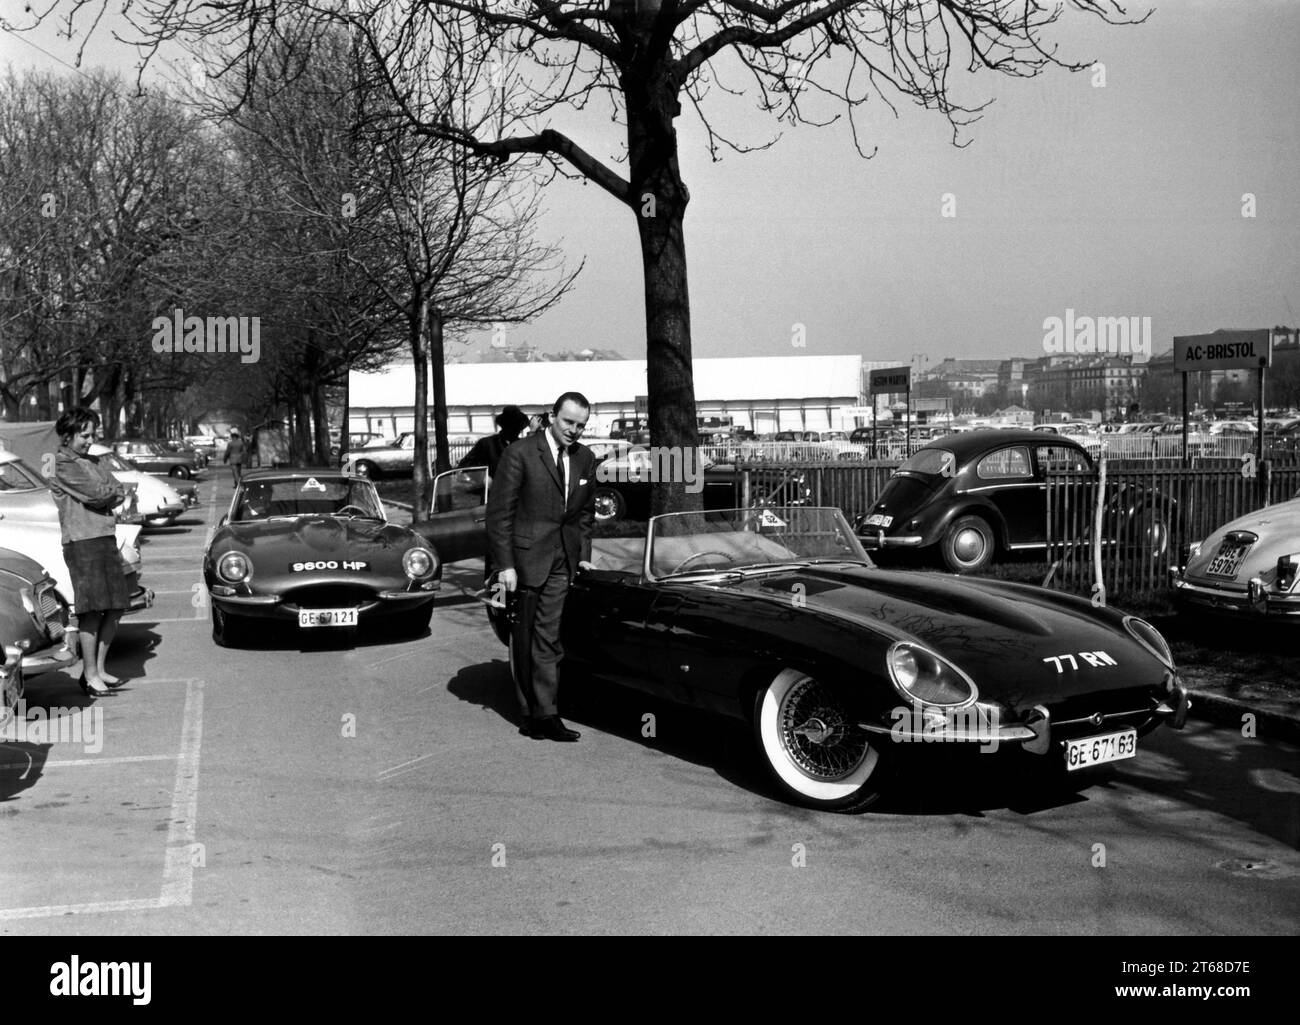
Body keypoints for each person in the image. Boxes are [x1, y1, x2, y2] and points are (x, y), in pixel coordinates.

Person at [486, 392, 596, 742]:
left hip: (563, 561)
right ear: (552, 417)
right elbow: (499, 514)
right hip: (523, 562)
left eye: (580, 425)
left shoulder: (585, 458)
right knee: (524, 637)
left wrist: (583, 554)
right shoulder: (520, 453)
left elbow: (585, 514)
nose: (574, 431)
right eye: (568, 422)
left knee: (548, 639)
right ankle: (528, 713)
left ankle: (547, 714)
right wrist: (505, 565)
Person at [49, 408, 129, 696]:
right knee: (92, 611)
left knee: (116, 606)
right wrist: (107, 492)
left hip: (105, 537)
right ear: (68, 435)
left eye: (93, 434)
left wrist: (107, 492)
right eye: (85, 435)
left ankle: (99, 670)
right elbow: (98, 495)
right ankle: (90, 674)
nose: (90, 440)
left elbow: (119, 491)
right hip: (82, 542)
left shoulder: (93, 462)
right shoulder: (62, 464)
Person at [457, 405, 530, 480]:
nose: (517, 431)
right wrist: (483, 477)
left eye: (518, 427)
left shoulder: (523, 446)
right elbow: (464, 466)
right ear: (504, 426)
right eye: (512, 427)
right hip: (491, 490)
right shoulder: (486, 444)